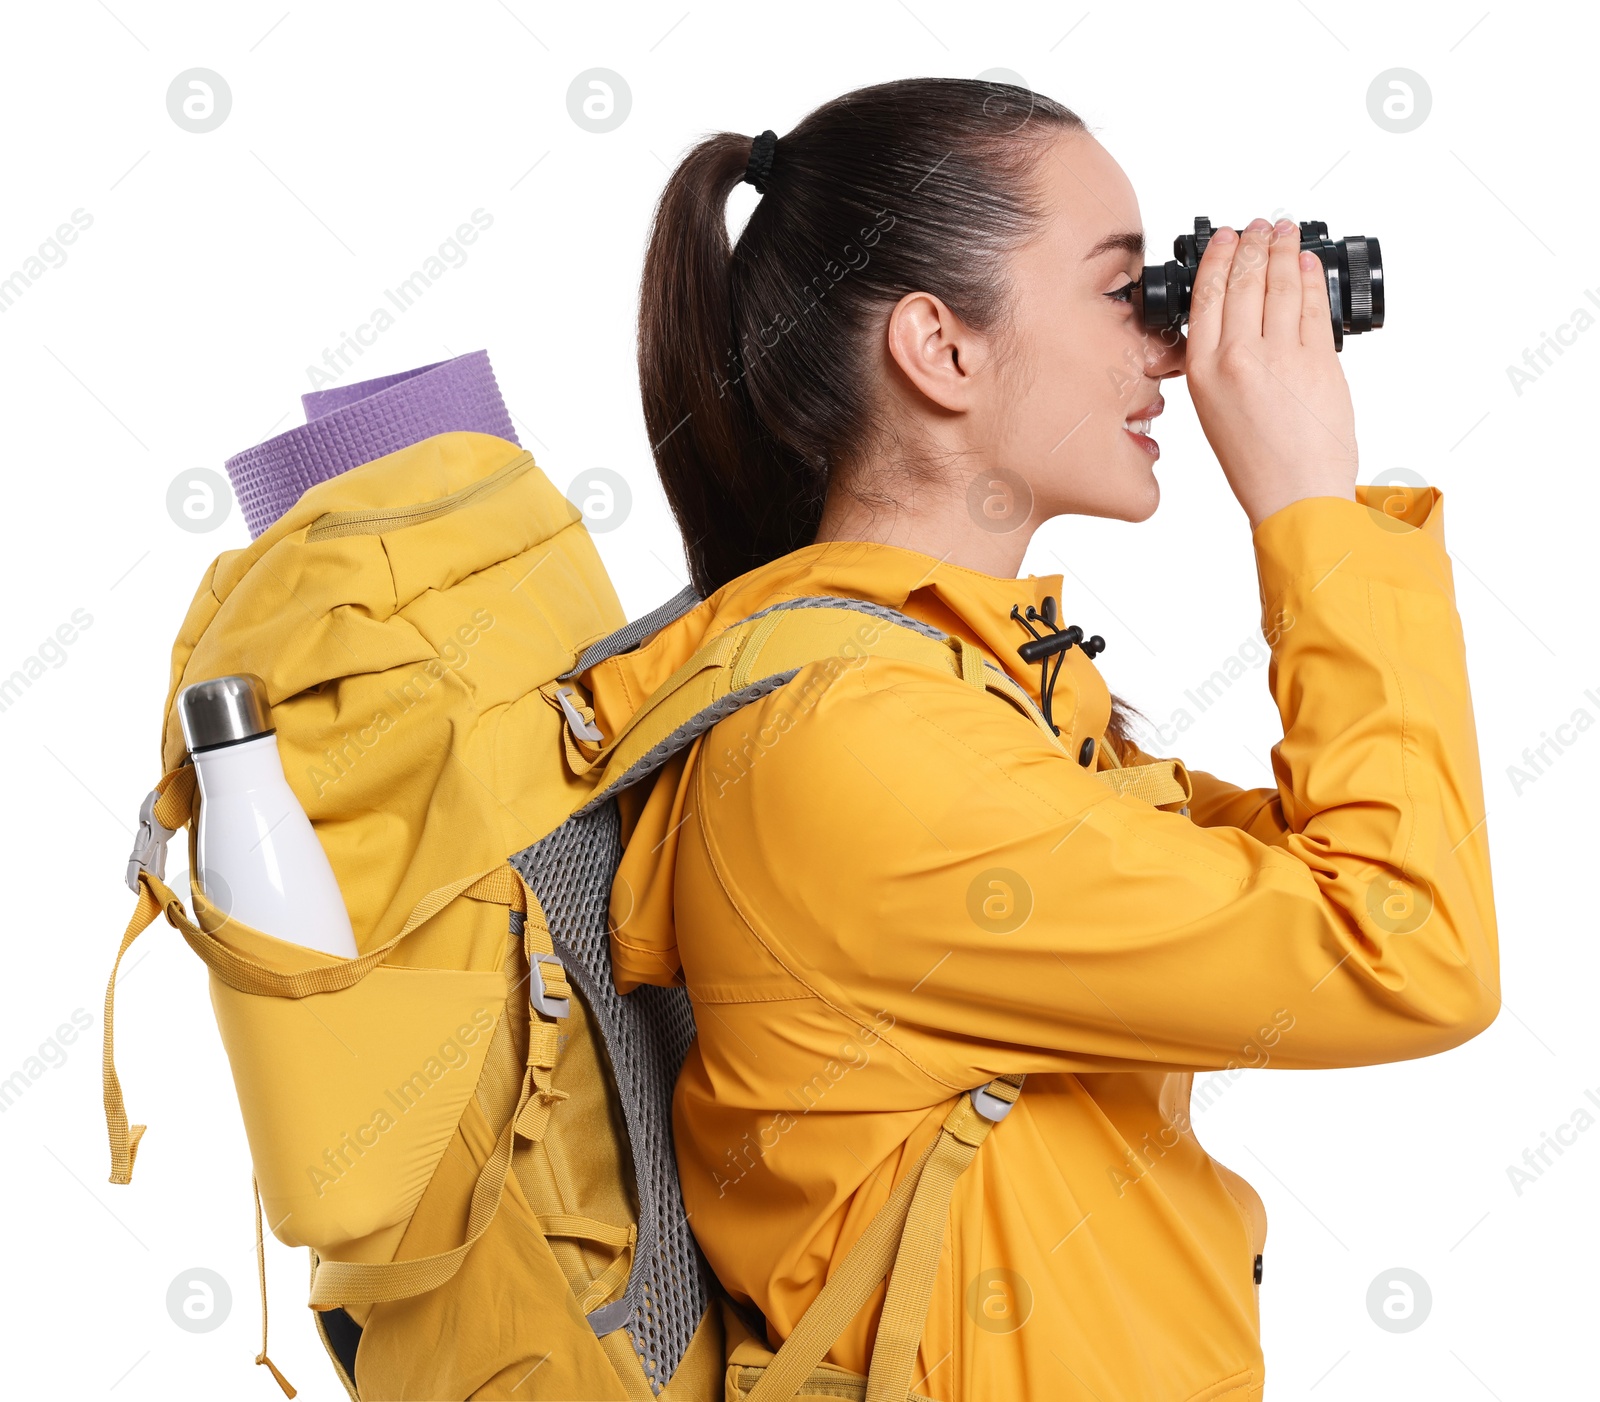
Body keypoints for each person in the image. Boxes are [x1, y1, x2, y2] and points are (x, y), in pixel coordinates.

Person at [590, 77, 1498, 1401]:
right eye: (1127, 289)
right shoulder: (859, 748)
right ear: (939, 348)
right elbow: (1408, 946)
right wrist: (1306, 502)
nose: (1173, 350)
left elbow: (1346, 874)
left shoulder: (972, 701)